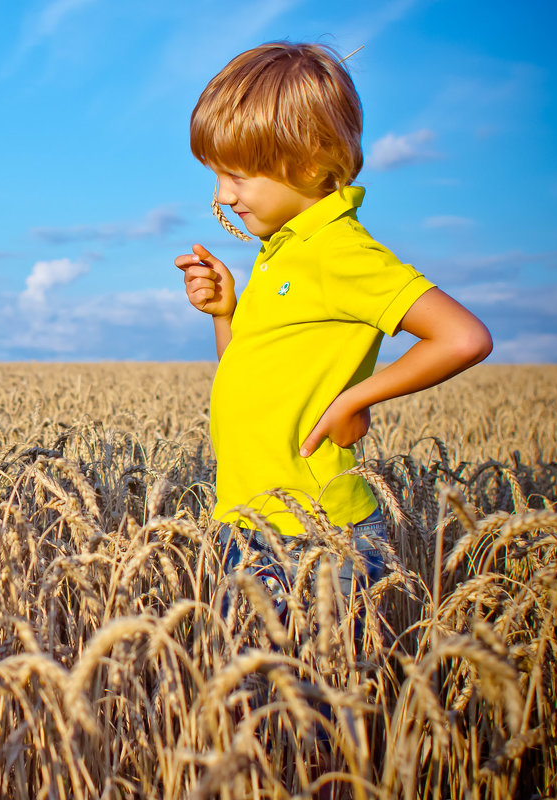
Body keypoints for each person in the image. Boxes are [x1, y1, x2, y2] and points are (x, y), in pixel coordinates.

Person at [175, 42, 492, 602]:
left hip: (311, 536)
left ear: (310, 163)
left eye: (238, 175)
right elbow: (245, 372)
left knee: (296, 687)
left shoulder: (339, 253)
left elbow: (463, 337)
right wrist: (226, 313)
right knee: (257, 687)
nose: (222, 195)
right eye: (216, 175)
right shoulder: (284, 252)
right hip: (250, 520)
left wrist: (353, 399)